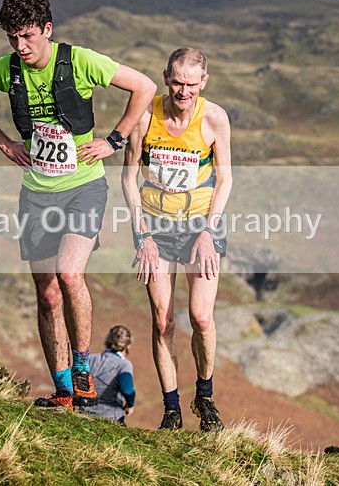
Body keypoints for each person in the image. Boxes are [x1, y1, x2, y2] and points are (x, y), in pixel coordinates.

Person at [0, 0, 156, 411]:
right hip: (37, 193)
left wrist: (114, 139)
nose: (21, 46)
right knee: (47, 293)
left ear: (47, 29)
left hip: (84, 187)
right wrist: (3, 143)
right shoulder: (6, 69)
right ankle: (65, 390)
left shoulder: (80, 60)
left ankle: (83, 365)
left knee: (70, 275)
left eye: (29, 36)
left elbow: (144, 86)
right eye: (13, 38)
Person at [121, 48, 233, 431]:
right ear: (166, 76)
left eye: (191, 85)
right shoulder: (146, 115)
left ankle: (205, 395)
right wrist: (142, 235)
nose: (184, 92)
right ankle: (171, 409)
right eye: (177, 83)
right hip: (156, 227)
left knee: (201, 316)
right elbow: (128, 178)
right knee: (162, 320)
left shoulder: (215, 118)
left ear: (204, 82)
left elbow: (227, 178)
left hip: (202, 224)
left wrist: (208, 231)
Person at [81, 325, 136, 425]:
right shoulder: (124, 365)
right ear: (128, 346)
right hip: (112, 418)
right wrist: (130, 405)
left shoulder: (90, 359)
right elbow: (128, 390)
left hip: (84, 415)